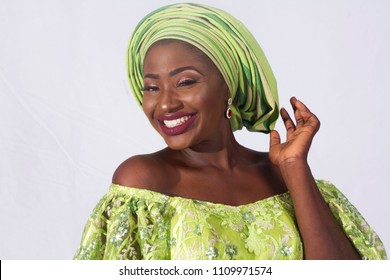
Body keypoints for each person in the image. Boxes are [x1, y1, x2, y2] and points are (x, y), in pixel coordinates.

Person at [74, 3, 387, 260]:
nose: (165, 104)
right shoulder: (143, 182)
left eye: (185, 82)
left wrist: (295, 169)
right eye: (152, 87)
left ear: (229, 86)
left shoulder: (284, 177)